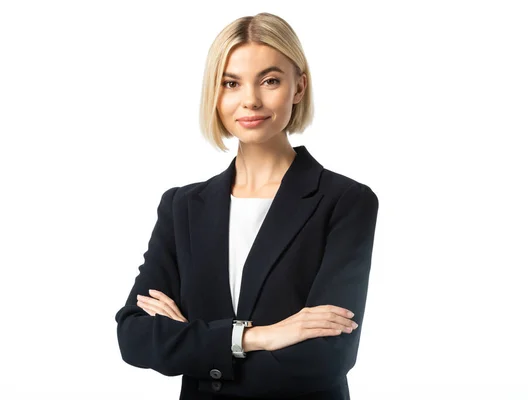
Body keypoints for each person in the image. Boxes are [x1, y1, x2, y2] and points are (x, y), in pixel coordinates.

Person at [114, 12, 379, 400]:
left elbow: (326, 357)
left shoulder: (345, 202)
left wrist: (194, 345)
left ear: (299, 87)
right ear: (215, 93)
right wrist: (262, 337)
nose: (250, 100)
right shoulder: (183, 206)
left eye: (270, 80)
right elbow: (134, 336)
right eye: (231, 83)